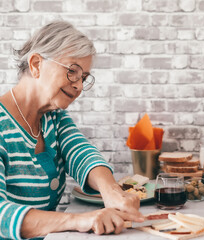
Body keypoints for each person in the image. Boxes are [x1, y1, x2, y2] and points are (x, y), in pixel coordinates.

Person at [0, 21, 144, 239]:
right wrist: (78, 220)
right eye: (72, 71)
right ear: (36, 64)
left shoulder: (53, 117)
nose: (78, 86)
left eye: (84, 78)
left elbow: (82, 153)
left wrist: (112, 192)